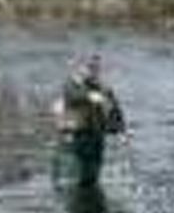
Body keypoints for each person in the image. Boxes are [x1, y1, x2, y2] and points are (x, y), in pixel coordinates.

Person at [52, 53, 126, 187]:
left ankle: (90, 183)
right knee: (78, 168)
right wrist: (88, 96)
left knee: (94, 169)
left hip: (97, 134)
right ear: (80, 68)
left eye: (96, 68)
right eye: (90, 67)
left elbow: (115, 110)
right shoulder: (71, 84)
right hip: (76, 135)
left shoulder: (104, 88)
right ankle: (76, 188)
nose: (93, 71)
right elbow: (71, 96)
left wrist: (120, 131)